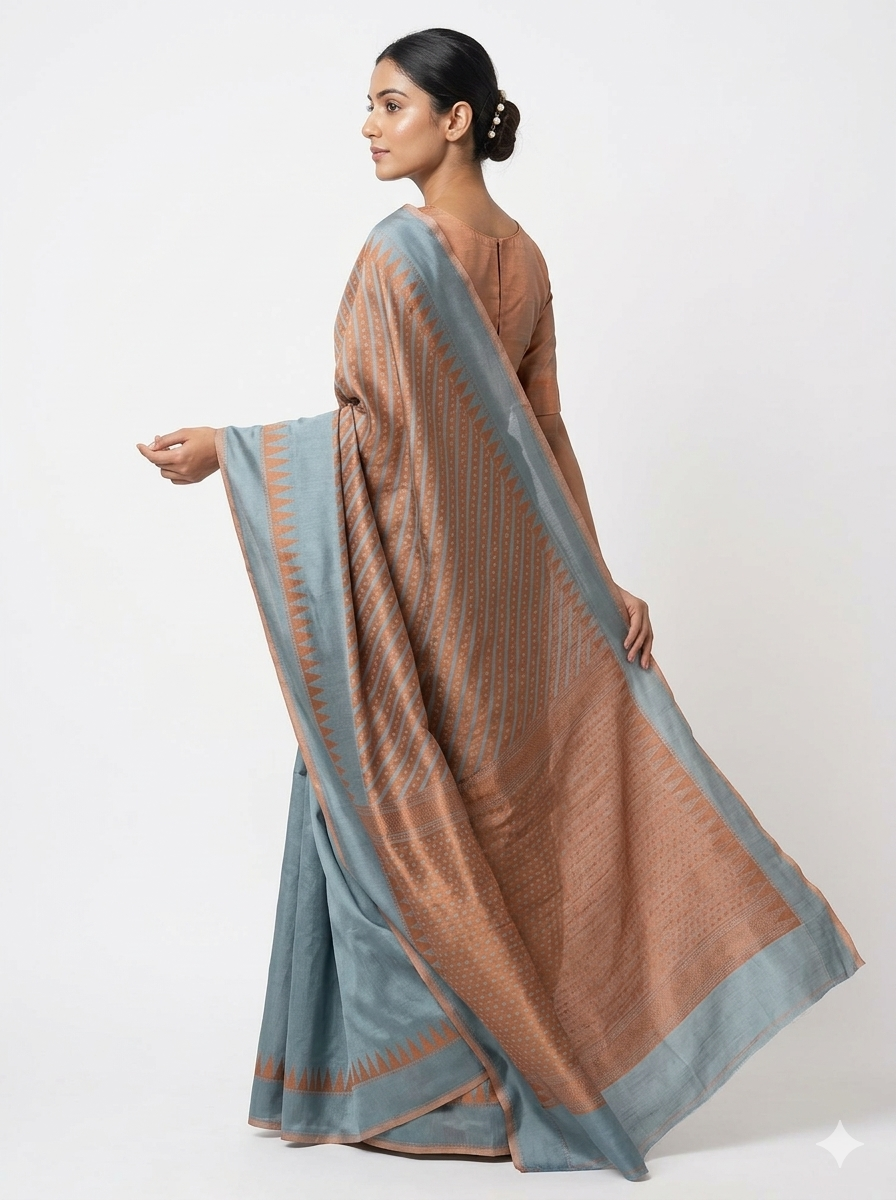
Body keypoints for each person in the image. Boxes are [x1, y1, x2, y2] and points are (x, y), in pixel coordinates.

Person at [137, 28, 863, 1182]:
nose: (368, 127)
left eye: (389, 104)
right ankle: (499, 1071)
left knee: (381, 806)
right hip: (506, 595)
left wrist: (231, 451)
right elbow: (543, 438)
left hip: (416, 588)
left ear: (456, 118)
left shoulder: (397, 254)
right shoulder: (522, 259)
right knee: (493, 823)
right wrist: (592, 574)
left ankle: (437, 1091)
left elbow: (380, 435)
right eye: (367, 106)